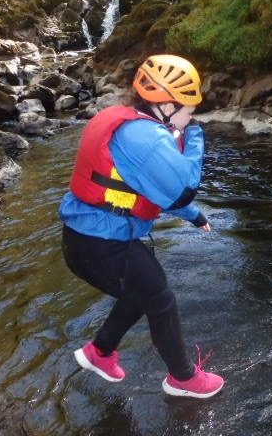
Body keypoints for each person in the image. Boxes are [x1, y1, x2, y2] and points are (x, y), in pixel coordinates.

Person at [59, 54, 224, 399]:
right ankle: (183, 379)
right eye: (189, 111)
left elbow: (154, 189)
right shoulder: (146, 137)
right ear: (167, 105)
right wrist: (194, 137)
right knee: (160, 298)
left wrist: (195, 216)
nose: (191, 118)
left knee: (141, 292)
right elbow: (183, 188)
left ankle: (99, 352)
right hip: (102, 245)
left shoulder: (132, 125)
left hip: (86, 240)